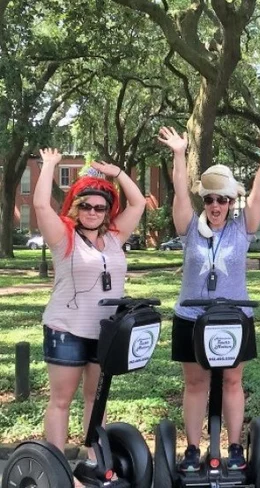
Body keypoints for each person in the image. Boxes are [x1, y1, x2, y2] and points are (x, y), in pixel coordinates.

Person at [157, 126, 260, 472]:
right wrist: (180, 153)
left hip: (233, 319)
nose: (216, 205)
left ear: (231, 202)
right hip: (191, 318)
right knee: (196, 383)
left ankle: (236, 446)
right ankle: (194, 449)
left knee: (231, 381)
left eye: (222, 199)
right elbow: (180, 194)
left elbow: (258, 195)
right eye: (210, 199)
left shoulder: (242, 229)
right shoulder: (189, 230)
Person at [35, 149, 146, 456]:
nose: (93, 211)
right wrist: (49, 166)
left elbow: (138, 202)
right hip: (66, 329)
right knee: (61, 400)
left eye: (100, 206)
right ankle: (57, 469)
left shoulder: (114, 236)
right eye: (86, 205)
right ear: (76, 207)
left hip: (105, 332)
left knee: (95, 401)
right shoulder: (62, 236)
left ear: (107, 210)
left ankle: (96, 462)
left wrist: (117, 172)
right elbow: (41, 204)